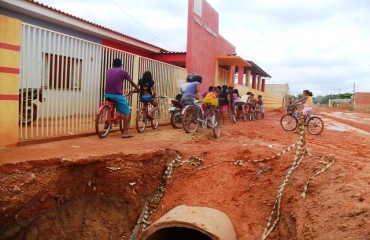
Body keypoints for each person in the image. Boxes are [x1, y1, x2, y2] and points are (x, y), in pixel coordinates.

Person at [105, 58, 139, 138]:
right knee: (127, 112)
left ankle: (107, 123)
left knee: (112, 105)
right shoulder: (123, 72)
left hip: (107, 94)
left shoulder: (108, 70)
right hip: (117, 95)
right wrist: (137, 89)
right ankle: (125, 133)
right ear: (121, 65)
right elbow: (131, 82)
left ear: (113, 64)